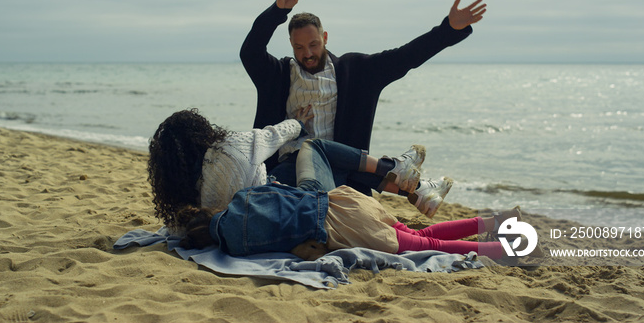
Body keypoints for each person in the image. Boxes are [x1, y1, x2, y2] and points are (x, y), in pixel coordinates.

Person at [239, 0, 486, 216]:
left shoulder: (355, 70)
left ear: (325, 38)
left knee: (323, 154)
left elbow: (405, 57)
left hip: (343, 175)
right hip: (289, 170)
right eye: (300, 47)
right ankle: (412, 184)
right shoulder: (278, 75)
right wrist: (278, 11)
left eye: (314, 44)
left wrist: (448, 30)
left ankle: (414, 186)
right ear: (291, 44)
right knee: (303, 155)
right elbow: (250, 51)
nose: (308, 53)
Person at [175, 138, 516, 262]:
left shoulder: (236, 248)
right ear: (208, 214)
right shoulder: (242, 198)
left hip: (342, 229)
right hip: (344, 203)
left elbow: (282, 251)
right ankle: (494, 222)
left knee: (425, 244)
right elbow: (278, 188)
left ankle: (496, 248)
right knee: (425, 236)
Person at [147, 109, 439, 229]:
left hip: (260, 210)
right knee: (315, 148)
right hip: (284, 204)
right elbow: (275, 134)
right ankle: (396, 169)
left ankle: (417, 190)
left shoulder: (184, 203)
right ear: (202, 132)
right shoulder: (229, 148)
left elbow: (176, 232)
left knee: (315, 163)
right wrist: (298, 123)